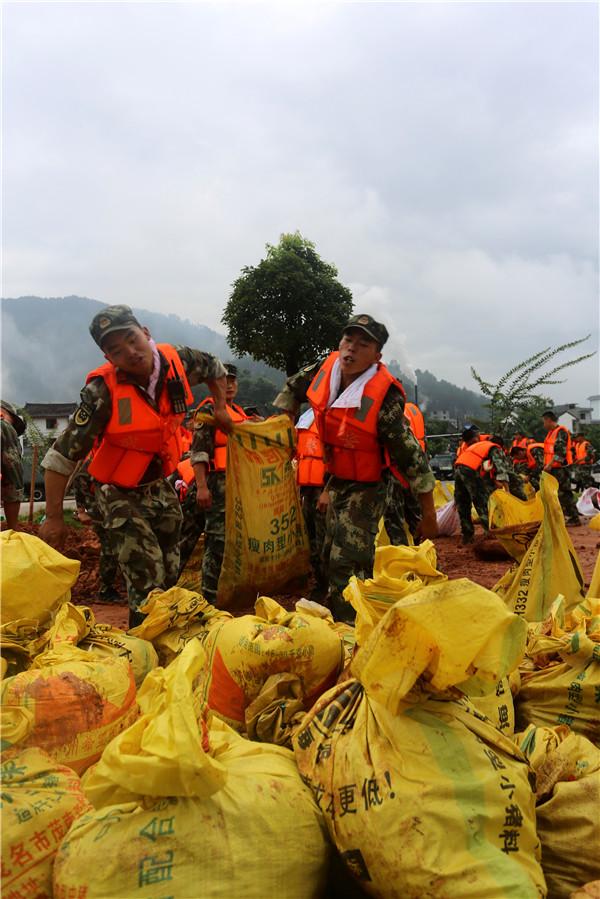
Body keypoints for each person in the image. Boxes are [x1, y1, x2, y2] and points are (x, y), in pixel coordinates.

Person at [40, 304, 231, 627]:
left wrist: (222, 408)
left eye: (132, 339)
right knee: (147, 574)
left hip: (158, 485)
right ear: (108, 358)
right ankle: (143, 652)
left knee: (170, 571)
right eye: (116, 349)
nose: (130, 352)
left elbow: (216, 368)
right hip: (116, 492)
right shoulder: (101, 392)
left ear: (145, 333)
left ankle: (158, 635)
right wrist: (55, 517)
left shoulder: (179, 361)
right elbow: (60, 456)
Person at [273, 313, 437, 622]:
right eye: (348, 340)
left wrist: (428, 515)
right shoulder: (327, 367)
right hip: (336, 477)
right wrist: (284, 417)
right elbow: (294, 387)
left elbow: (411, 456)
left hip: (370, 482)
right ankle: (346, 610)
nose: (351, 349)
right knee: (325, 552)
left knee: (346, 558)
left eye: (363, 345)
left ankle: (351, 626)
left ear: (377, 356)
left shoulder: (383, 397)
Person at [190, 363, 251, 605]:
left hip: (238, 485)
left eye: (233, 381)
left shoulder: (238, 412)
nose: (230, 385)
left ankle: (229, 591)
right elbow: (199, 453)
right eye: (225, 380)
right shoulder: (208, 411)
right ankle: (210, 596)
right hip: (216, 484)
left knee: (234, 540)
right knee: (217, 540)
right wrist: (202, 487)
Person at [72, 457, 121, 602]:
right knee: (110, 548)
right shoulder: (96, 458)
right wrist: (81, 511)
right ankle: (106, 589)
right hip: (100, 511)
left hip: (121, 509)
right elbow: (79, 480)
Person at [454, 426, 510, 544]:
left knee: (462, 503)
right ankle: (490, 533)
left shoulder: (478, 446)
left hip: (458, 467)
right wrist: (507, 490)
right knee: (481, 502)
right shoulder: (495, 448)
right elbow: (501, 468)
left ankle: (467, 535)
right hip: (470, 470)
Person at [295, 409, 328, 599]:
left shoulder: (330, 416)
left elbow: (336, 458)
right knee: (311, 538)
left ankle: (330, 586)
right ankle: (321, 584)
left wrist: (327, 491)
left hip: (322, 490)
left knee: (325, 539)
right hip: (307, 489)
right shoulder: (305, 418)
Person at [541, 410, 579, 526]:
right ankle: (563, 516)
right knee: (556, 494)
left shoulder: (560, 432)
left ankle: (574, 517)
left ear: (549, 420)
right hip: (553, 469)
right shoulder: (551, 433)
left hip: (560, 469)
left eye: (544, 422)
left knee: (564, 493)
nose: (543, 425)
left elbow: (560, 453)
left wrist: (550, 464)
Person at [0, 400, 25, 530]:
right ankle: (13, 528)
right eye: (13, 422)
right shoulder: (4, 425)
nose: (13, 427)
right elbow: (14, 481)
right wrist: (13, 526)